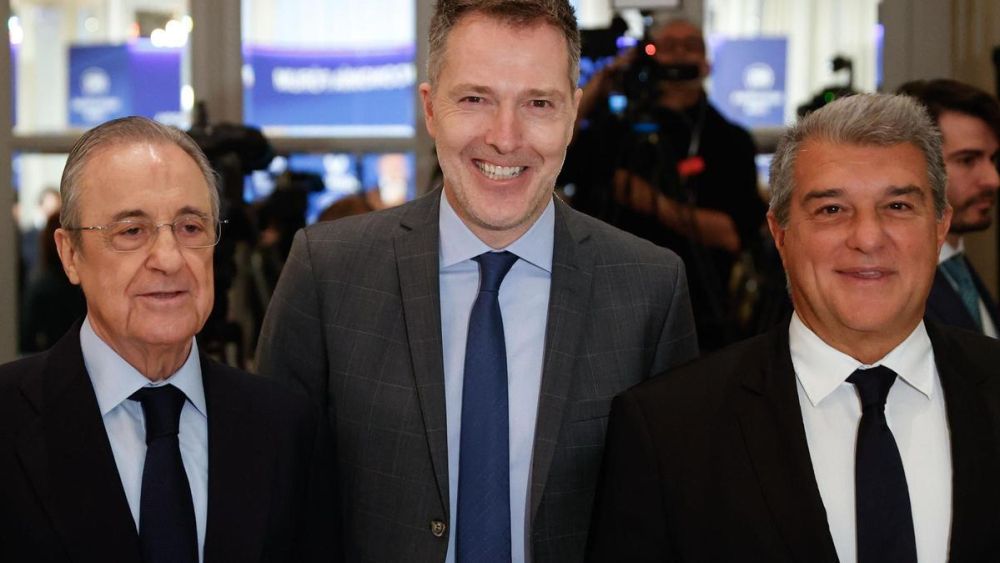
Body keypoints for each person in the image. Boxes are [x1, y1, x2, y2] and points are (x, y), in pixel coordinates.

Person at [256, 1, 698, 562]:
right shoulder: (327, 271)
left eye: (538, 103)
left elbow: (671, 523)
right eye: (474, 99)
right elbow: (278, 504)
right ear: (430, 109)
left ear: (571, 115)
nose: (504, 138)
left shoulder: (650, 289)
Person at [587, 94, 1000, 562]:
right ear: (780, 233)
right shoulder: (667, 430)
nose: (867, 238)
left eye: (899, 206)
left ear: (940, 226)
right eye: (831, 210)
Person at [0, 116, 338, 563]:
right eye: (132, 231)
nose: (169, 259)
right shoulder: (9, 420)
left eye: (191, 227)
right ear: (69, 254)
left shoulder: (284, 428)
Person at [566, 18, 766, 352]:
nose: (678, 56)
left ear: (707, 63)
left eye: (690, 46)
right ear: (648, 58)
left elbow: (732, 235)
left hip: (697, 313)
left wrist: (654, 204)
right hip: (608, 307)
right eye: (667, 46)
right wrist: (600, 84)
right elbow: (555, 150)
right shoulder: (616, 133)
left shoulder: (730, 140)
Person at [898, 79, 1000, 336]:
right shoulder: (891, 283)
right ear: (915, 166)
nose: (993, 179)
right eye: (968, 160)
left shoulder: (959, 267)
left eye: (993, 159)